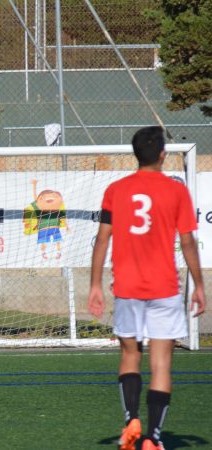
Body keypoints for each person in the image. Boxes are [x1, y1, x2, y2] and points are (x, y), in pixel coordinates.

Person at [87, 126, 206, 450]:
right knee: (162, 362)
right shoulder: (176, 191)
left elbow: (102, 239)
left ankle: (131, 420)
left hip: (126, 286)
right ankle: (153, 438)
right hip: (164, 288)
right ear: (163, 156)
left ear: (136, 154)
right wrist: (199, 284)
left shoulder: (116, 189)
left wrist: (95, 284)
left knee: (129, 354)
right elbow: (187, 243)